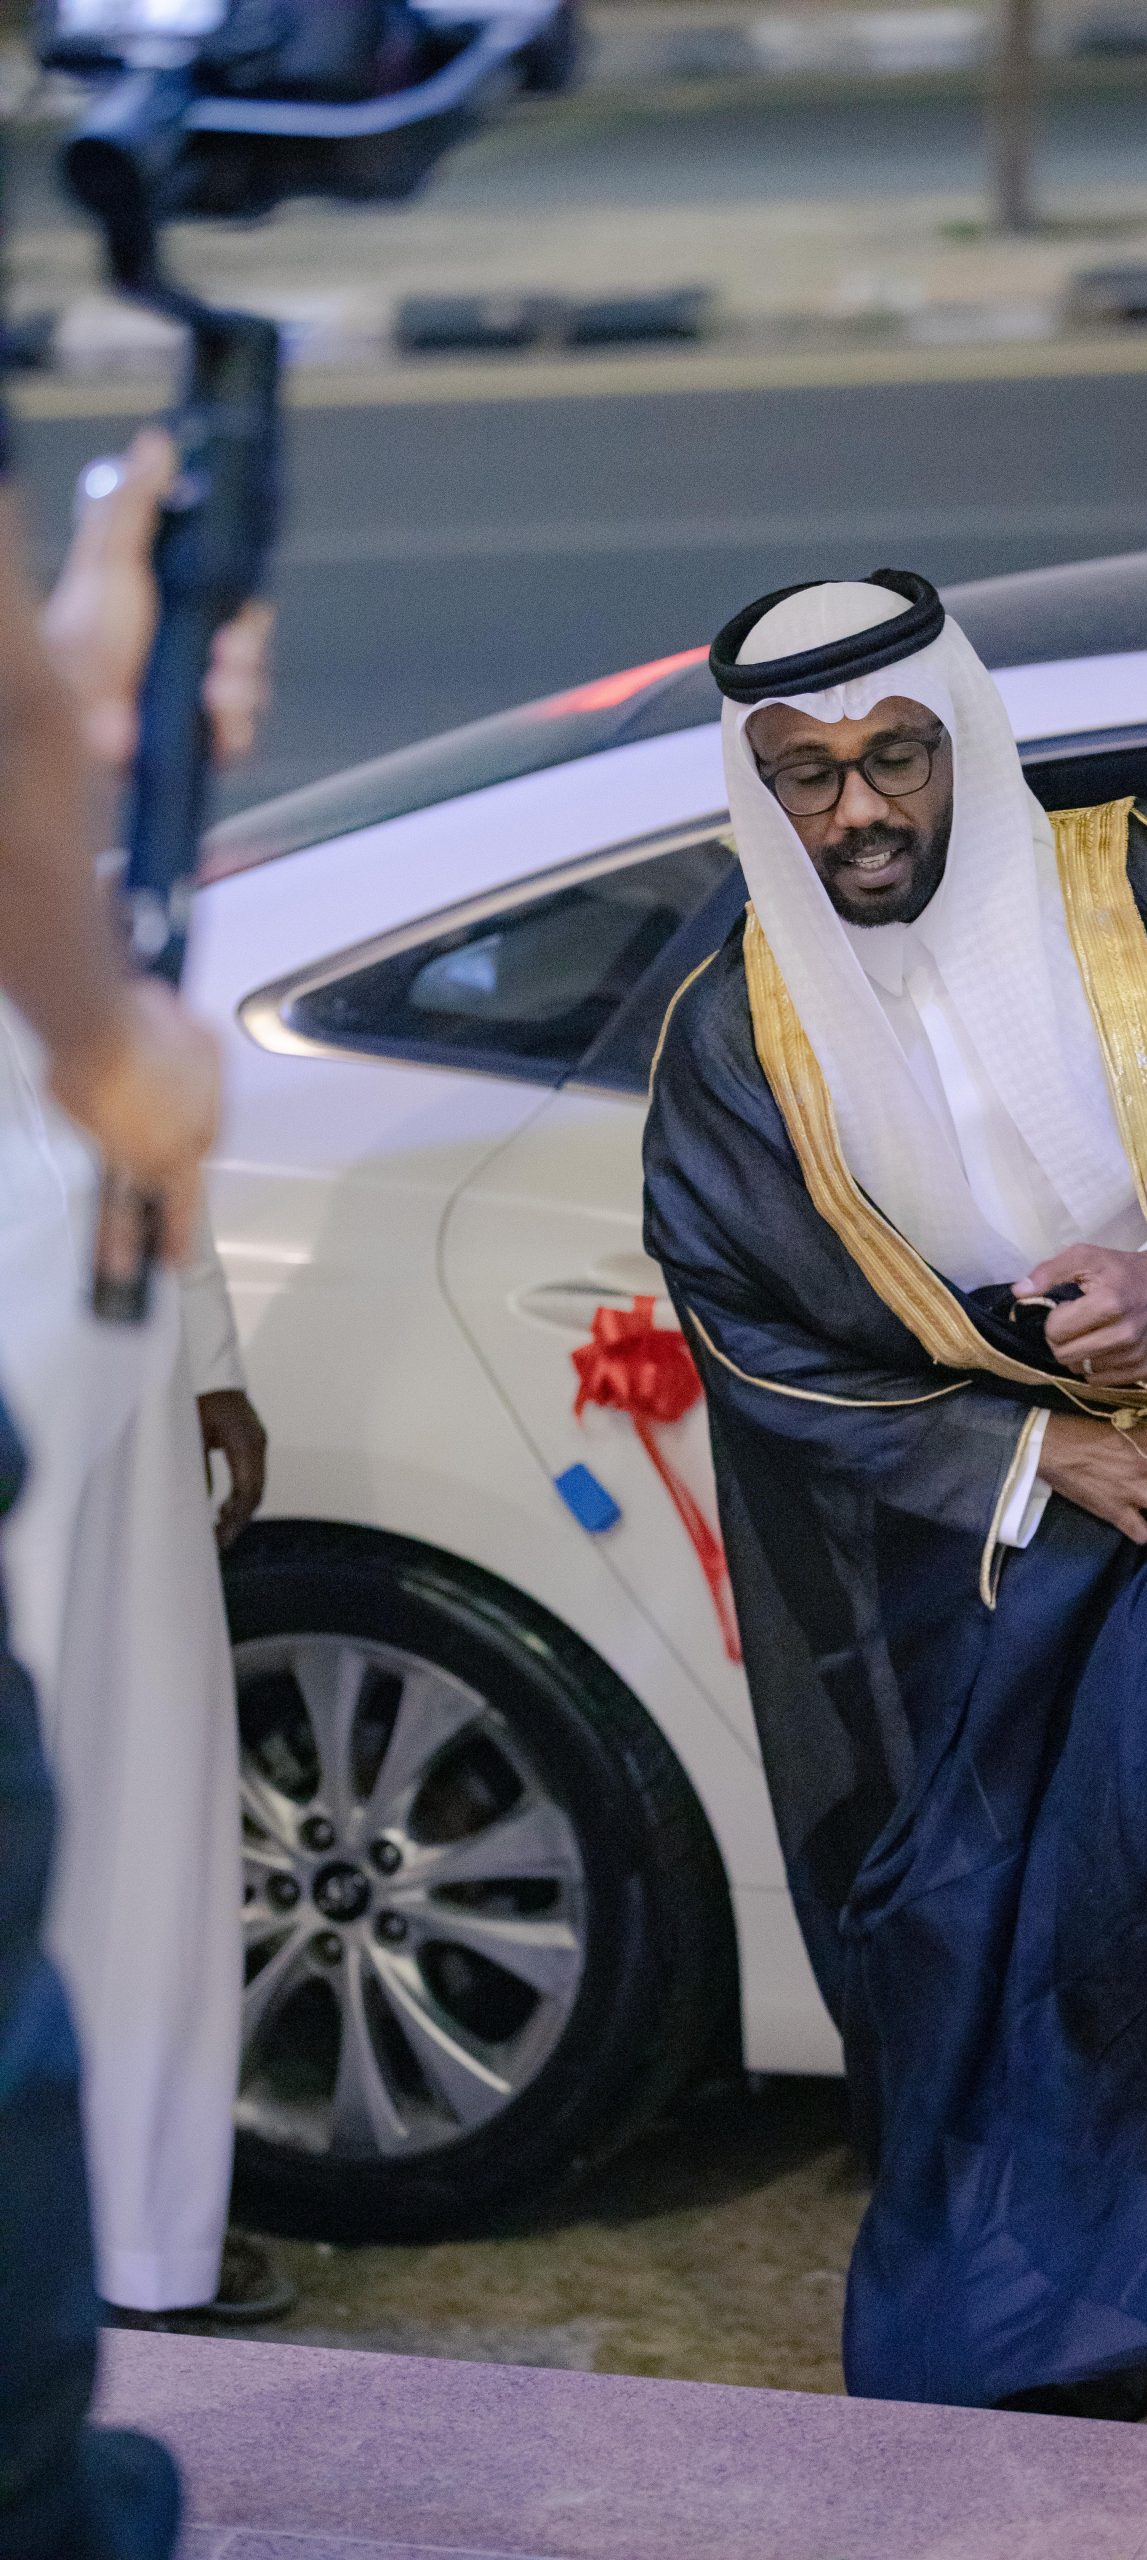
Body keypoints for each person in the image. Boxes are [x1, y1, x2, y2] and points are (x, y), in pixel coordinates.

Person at [642, 571, 1147, 2418]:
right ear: (763, 788)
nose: (859, 811)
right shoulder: (736, 1019)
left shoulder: (1138, 887)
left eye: (895, 758)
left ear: (961, 742)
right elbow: (739, 1316)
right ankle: (1053, 2354)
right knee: (982, 1935)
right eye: (810, 775)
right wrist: (1028, 1449)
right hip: (969, 1552)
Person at [2, 428, 282, 2330]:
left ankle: (136, 2239)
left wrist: (206, 1352)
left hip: (81, 1301)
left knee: (130, 1787)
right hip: (42, 1306)